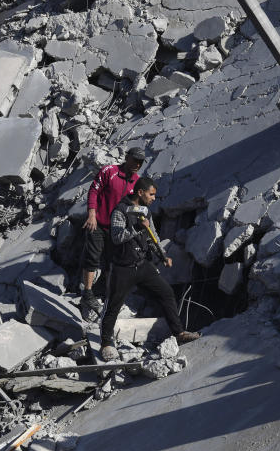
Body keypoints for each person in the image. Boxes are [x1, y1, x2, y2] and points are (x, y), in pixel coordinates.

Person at [100, 176, 200, 360]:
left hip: (142, 264)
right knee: (114, 304)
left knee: (166, 293)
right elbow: (116, 237)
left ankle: (179, 333)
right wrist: (137, 227)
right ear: (140, 192)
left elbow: (152, 235)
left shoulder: (146, 212)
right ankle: (106, 343)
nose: (154, 198)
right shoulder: (120, 211)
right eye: (151, 194)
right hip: (122, 268)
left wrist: (162, 255)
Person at [80, 146, 145, 320]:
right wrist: (92, 214)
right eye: (134, 160)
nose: (137, 164)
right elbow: (94, 191)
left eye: (140, 162)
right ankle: (87, 293)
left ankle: (103, 295)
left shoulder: (137, 182)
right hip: (99, 223)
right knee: (92, 258)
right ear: (127, 157)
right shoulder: (109, 171)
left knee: (112, 263)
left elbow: (135, 206)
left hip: (117, 230)